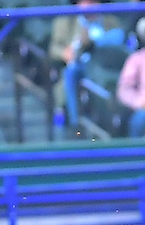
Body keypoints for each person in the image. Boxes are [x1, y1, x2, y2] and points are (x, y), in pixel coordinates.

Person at [49, 0, 125, 130]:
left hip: (105, 66)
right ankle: (75, 123)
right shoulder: (66, 20)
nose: (89, 5)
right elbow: (54, 48)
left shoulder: (110, 20)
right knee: (71, 73)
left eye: (93, 2)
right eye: (86, 2)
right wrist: (65, 53)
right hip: (80, 65)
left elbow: (119, 43)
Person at [117, 17, 145, 138]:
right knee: (140, 119)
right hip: (143, 109)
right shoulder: (136, 59)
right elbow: (124, 90)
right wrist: (139, 102)